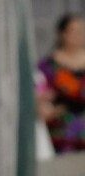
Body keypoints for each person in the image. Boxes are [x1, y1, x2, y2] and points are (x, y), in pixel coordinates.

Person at [38, 13, 85, 153]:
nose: (78, 35)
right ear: (62, 34)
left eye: (81, 31)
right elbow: (40, 93)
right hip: (60, 135)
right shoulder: (48, 65)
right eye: (73, 31)